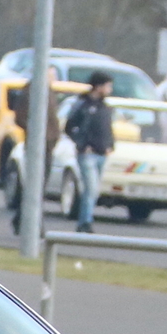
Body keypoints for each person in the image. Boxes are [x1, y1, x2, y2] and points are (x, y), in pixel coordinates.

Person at [61, 72, 114, 233]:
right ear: (98, 86)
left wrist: (110, 145)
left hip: (101, 153)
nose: (109, 90)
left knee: (94, 189)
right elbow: (69, 128)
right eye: (107, 86)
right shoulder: (82, 105)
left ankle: (86, 219)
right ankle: (84, 222)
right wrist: (82, 144)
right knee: (90, 188)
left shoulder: (105, 107)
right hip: (87, 154)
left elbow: (107, 129)